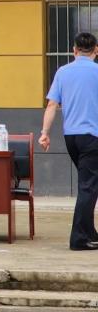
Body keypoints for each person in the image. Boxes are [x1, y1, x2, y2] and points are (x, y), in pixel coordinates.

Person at [40, 32, 98, 250]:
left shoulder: (62, 72)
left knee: (89, 184)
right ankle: (79, 238)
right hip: (92, 136)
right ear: (96, 50)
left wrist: (45, 133)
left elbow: (51, 105)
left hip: (71, 137)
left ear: (74, 50)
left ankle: (89, 231)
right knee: (88, 187)